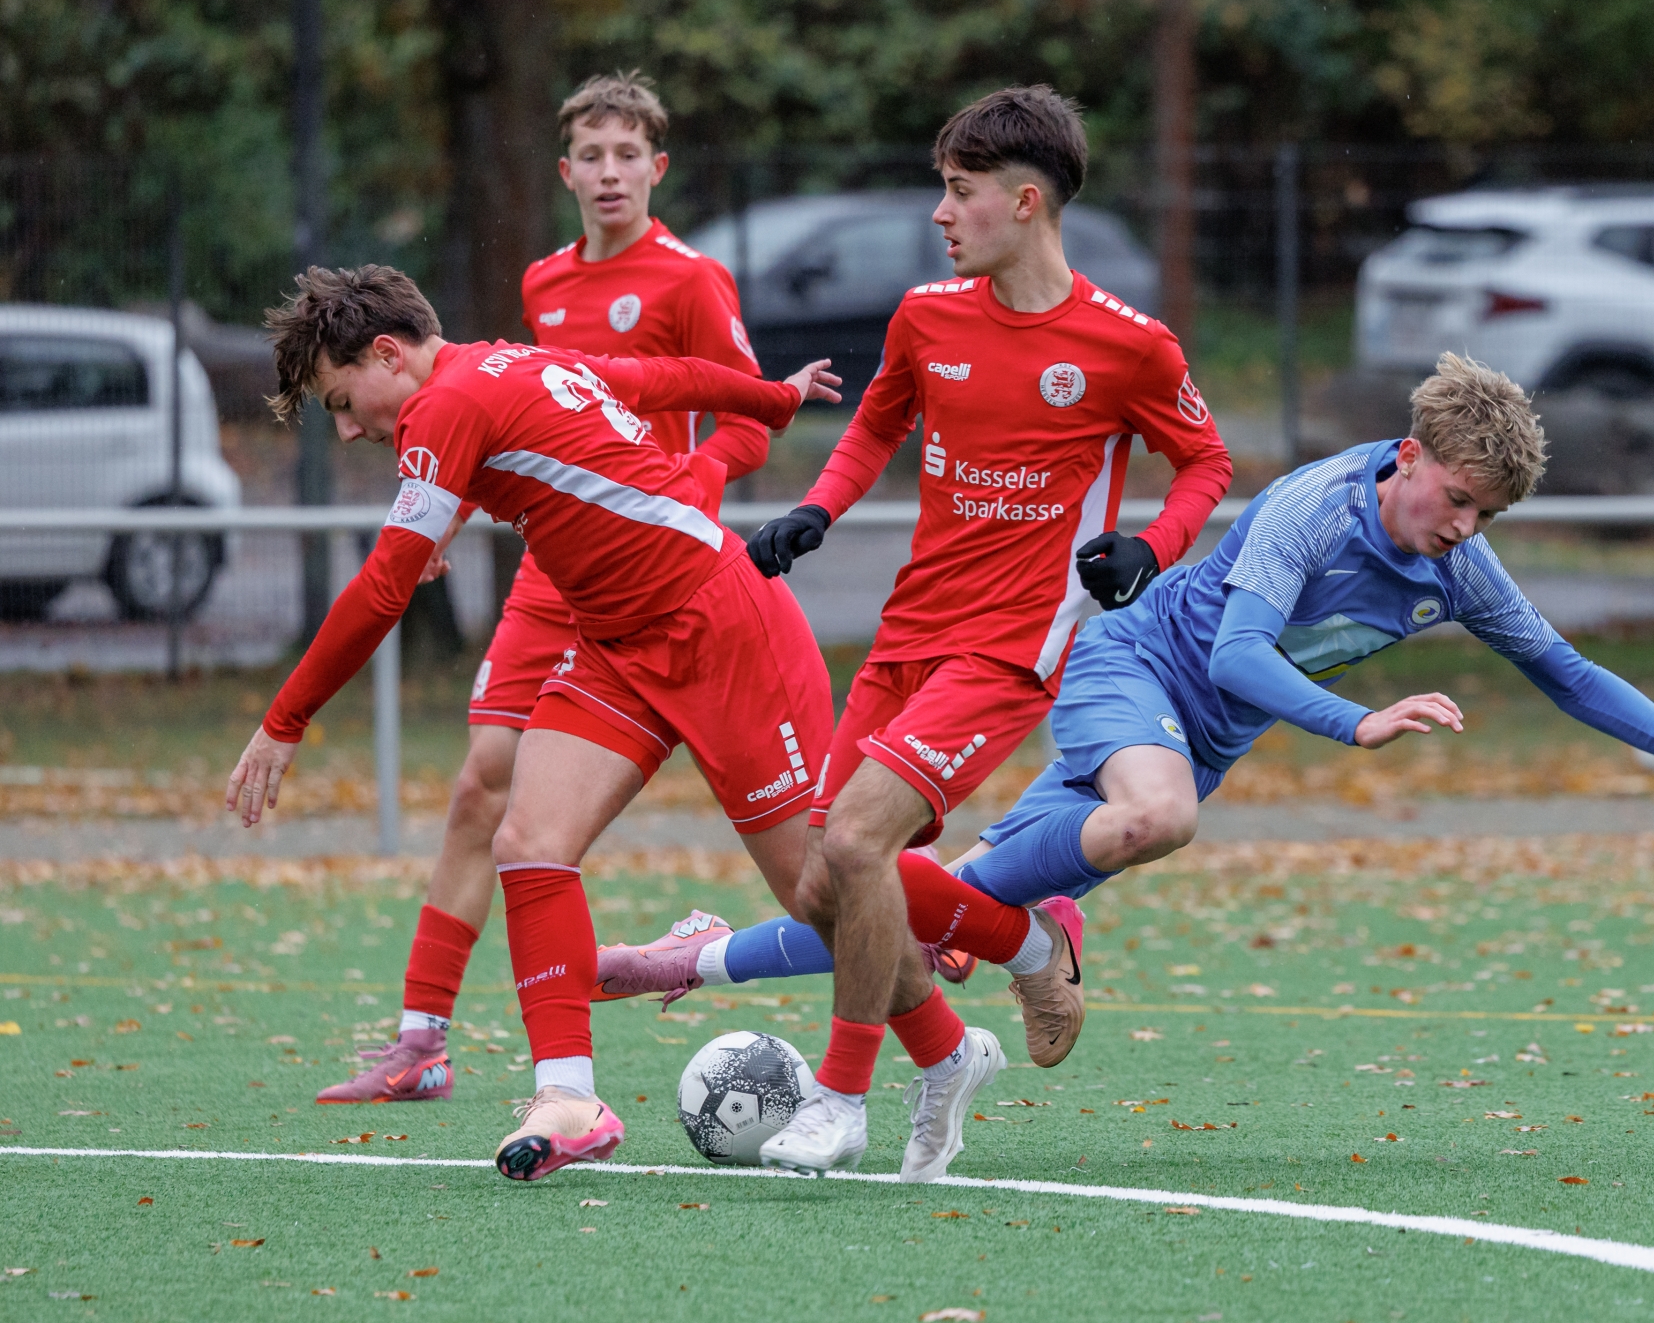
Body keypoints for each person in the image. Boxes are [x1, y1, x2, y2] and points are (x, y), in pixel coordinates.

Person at [226, 263, 842, 1181]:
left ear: (388, 354)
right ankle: (569, 1098)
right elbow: (659, 380)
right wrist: (774, 399)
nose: (348, 428)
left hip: (716, 625)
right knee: (527, 841)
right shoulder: (506, 363)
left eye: (343, 402)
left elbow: (384, 587)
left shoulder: (445, 404)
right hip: (617, 643)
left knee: (827, 895)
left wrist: (285, 721)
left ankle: (1000, 930)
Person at [731, 85, 1234, 1180]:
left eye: (959, 193)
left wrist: (1152, 547)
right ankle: (991, 993)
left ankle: (840, 1100)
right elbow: (874, 427)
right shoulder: (926, 316)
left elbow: (1206, 461)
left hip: (1011, 647)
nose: (940, 213)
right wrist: (818, 508)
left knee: (858, 845)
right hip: (907, 632)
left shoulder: (1128, 345)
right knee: (822, 888)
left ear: (1025, 201)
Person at [934, 355, 1654, 973]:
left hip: (1204, 743)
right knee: (1158, 816)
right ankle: (1030, 938)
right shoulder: (1312, 508)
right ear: (1409, 457)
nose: (1466, 528)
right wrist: (1356, 723)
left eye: (1487, 516)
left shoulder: (1462, 569)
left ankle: (984, 917)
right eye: (1460, 499)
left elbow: (1568, 672)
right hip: (1135, 664)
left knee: (933, 908)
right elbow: (1236, 656)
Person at [317, 73, 777, 1108]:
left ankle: (885, 920)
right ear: (565, 171)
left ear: (657, 168)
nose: (610, 174)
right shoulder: (544, 283)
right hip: (551, 571)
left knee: (773, 823)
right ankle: (421, 1039)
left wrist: (689, 486)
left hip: (655, 569)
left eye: (629, 156)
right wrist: (445, 519)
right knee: (481, 784)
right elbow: (515, 423)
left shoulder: (693, 280)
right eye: (592, 156)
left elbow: (744, 415)